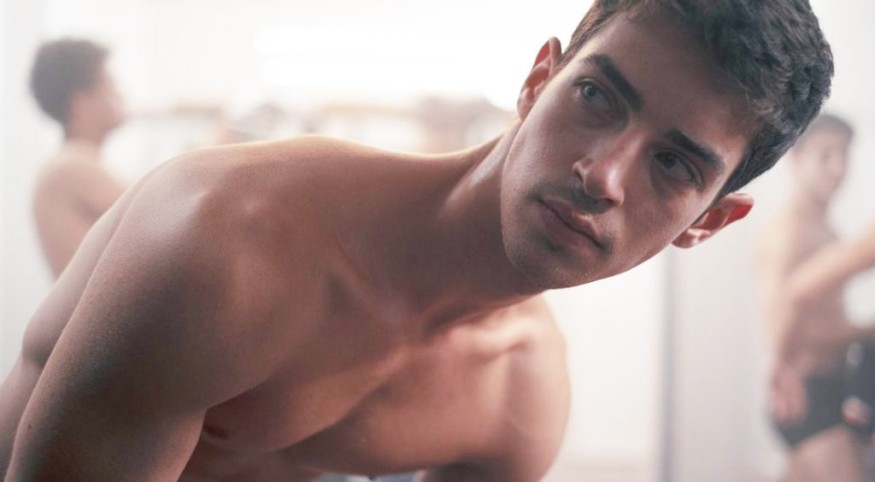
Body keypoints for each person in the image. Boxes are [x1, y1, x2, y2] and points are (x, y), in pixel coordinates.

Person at [0, 1, 833, 480]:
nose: (602, 175)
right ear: (537, 79)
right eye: (595, 97)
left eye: (673, 165)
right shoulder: (230, 243)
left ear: (706, 222)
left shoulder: (518, 398)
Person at [756, 114, 875, 481]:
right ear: (795, 158)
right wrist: (864, 331)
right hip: (807, 392)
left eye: (844, 155)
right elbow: (780, 315)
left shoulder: (825, 227)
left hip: (833, 383)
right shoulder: (790, 232)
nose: (838, 168)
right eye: (825, 155)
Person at [28, 38, 127, 278]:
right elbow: (161, 214)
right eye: (110, 86)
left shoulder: (72, 163)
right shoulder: (71, 165)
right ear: (80, 103)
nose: (120, 94)